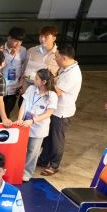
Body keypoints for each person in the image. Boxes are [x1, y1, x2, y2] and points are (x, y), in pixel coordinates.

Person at [36, 43, 80, 176]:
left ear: (64, 58)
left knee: (57, 139)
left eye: (57, 57)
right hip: (54, 109)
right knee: (48, 137)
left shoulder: (73, 74)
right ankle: (43, 159)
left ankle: (54, 165)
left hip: (62, 112)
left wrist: (44, 83)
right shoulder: (65, 69)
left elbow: (58, 91)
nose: (55, 59)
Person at [16, 69, 58, 179]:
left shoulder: (52, 95)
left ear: (44, 82)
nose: (34, 80)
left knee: (32, 151)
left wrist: (33, 120)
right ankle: (17, 169)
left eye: (36, 78)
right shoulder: (31, 89)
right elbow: (23, 105)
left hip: (38, 127)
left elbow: (49, 113)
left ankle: (26, 173)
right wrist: (19, 119)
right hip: (24, 124)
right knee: (20, 149)